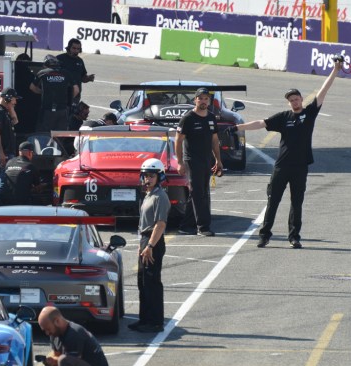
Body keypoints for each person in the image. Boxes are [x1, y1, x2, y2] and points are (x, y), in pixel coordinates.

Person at [232, 59, 342, 249]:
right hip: (281, 166)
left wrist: (334, 70)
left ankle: (294, 237)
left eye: (296, 98)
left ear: (301, 99)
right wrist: (237, 127)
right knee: (272, 201)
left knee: (296, 203)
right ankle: (264, 235)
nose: (294, 101)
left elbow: (323, 91)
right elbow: (261, 123)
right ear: (289, 102)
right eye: (291, 100)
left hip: (300, 167)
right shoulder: (284, 117)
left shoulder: (310, 113)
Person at [129, 159, 170, 333]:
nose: (148, 179)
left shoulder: (160, 196)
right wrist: (142, 244)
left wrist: (150, 246)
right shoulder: (148, 195)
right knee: (142, 282)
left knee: (152, 282)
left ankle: (155, 322)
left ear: (159, 177)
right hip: (145, 240)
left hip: (153, 241)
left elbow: (160, 224)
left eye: (152, 176)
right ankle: (144, 319)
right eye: (145, 175)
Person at [174, 87, 223, 237]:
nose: (203, 101)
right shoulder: (188, 118)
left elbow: (215, 140)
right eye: (200, 98)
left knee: (197, 192)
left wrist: (218, 160)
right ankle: (203, 227)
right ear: (195, 100)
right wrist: (180, 162)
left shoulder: (211, 117)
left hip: (206, 160)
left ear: (209, 101)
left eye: (205, 99)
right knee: (199, 193)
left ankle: (186, 225)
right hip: (192, 160)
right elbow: (178, 140)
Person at [30, 55, 78, 132]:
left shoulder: (42, 73)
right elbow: (76, 89)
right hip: (62, 108)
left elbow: (32, 87)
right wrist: (69, 99)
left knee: (44, 133)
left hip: (47, 109)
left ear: (46, 64)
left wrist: (42, 92)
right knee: (60, 134)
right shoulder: (66, 73)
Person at [0, 141, 41, 206]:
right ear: (30, 153)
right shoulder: (31, 166)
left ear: (19, 152)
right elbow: (37, 188)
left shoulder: (9, 162)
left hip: (5, 201)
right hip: (22, 203)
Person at [56, 38, 95, 105]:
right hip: (61, 94)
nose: (76, 51)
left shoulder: (80, 61)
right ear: (68, 48)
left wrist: (88, 78)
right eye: (74, 48)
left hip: (76, 95)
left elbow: (83, 78)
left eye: (78, 49)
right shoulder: (59, 59)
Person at [0, 87, 20, 166]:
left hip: (9, 153)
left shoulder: (5, 111)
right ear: (8, 98)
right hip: (4, 153)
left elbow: (15, 121)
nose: (15, 102)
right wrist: (0, 152)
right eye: (14, 99)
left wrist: (11, 108)